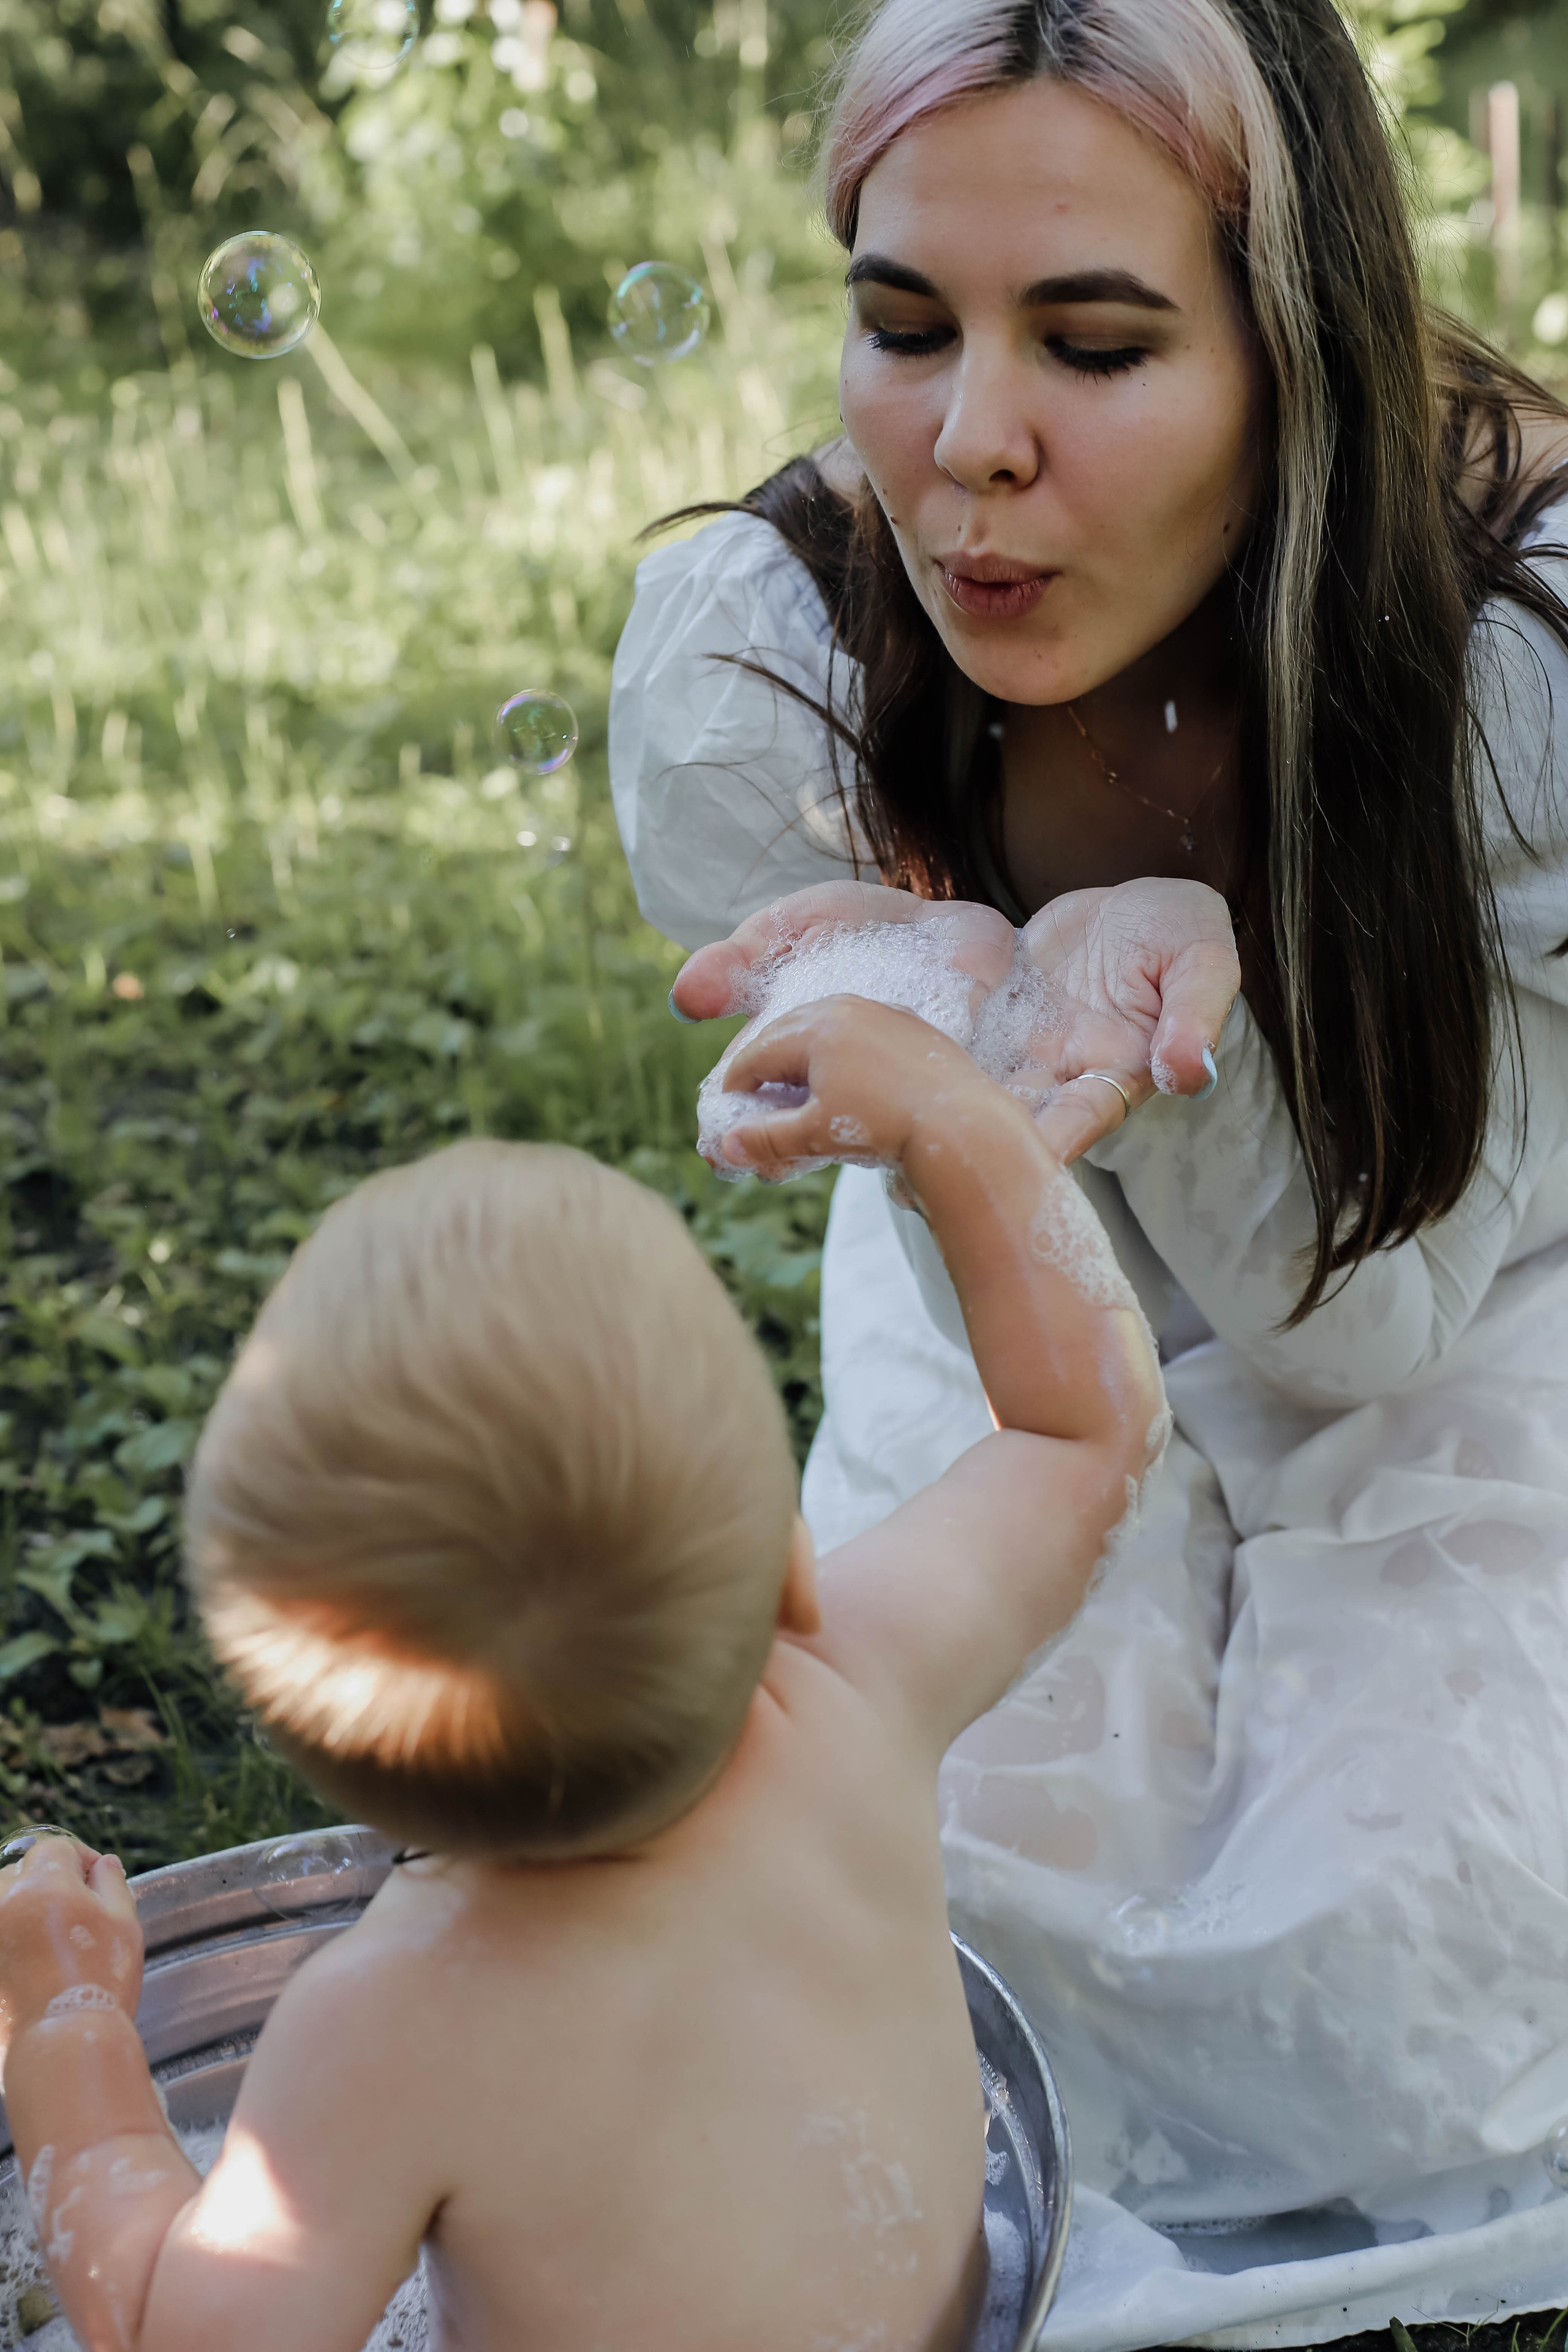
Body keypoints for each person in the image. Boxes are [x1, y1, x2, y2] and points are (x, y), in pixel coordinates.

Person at [608, 0, 1568, 2331]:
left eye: (1099, 344)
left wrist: (1187, 992)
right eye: (901, 324)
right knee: (956, 1904)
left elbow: (1366, 1329)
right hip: (1043, 1287)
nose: (968, 447)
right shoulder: (776, 666)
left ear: (1298, 362)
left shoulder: (1511, 669)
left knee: (1396, 1964)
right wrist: (971, 1008)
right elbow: (1030, 1324)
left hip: (1464, 1282)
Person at [0, 1003, 1163, 2352]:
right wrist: (952, 1121)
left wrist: (68, 2027)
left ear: (326, 1752)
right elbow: (1086, 1433)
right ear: (789, 1567)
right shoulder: (858, 1678)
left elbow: (179, 2339)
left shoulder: (388, 2021)